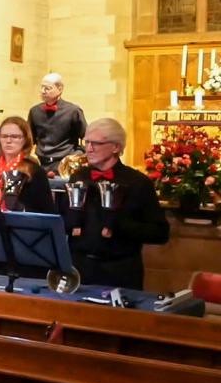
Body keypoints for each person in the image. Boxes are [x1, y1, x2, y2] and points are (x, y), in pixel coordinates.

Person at [63, 118, 169, 290]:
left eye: (96, 143)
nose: (88, 148)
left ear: (116, 147)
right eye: (87, 142)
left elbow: (160, 233)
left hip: (119, 272)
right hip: (79, 269)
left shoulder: (138, 183)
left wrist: (118, 225)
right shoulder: (78, 177)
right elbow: (65, 218)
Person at [0, 117, 55, 214]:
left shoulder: (34, 172)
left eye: (15, 136)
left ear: (25, 140)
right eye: (4, 136)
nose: (8, 141)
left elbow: (47, 211)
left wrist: (21, 210)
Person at [29, 73, 87, 176]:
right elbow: (29, 140)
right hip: (41, 164)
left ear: (60, 89)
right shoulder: (35, 111)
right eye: (42, 87)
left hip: (64, 165)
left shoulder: (73, 111)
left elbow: (87, 137)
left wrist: (78, 155)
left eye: (47, 88)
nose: (43, 91)